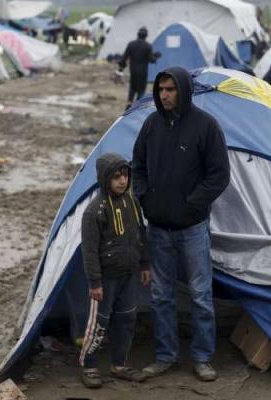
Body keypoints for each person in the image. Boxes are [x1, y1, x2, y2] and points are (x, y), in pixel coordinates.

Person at [132, 67, 230, 383]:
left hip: (193, 227)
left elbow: (219, 175)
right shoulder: (151, 125)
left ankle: (202, 357)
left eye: (171, 89)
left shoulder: (206, 126)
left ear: (184, 90)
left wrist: (191, 204)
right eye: (160, 90)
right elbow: (138, 166)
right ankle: (165, 356)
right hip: (158, 228)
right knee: (161, 295)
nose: (164, 95)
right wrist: (144, 198)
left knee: (200, 294)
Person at [78, 153, 152, 389]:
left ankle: (119, 364)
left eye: (126, 175)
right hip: (106, 279)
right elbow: (89, 251)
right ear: (105, 179)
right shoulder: (94, 211)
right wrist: (95, 282)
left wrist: (144, 264)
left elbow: (140, 235)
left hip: (129, 275)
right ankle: (89, 365)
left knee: (127, 319)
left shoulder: (132, 203)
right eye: (116, 177)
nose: (122, 181)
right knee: (99, 324)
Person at [119, 27, 161, 107]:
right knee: (141, 90)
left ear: (138, 34)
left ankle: (129, 104)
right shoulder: (148, 46)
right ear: (146, 36)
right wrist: (156, 56)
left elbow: (124, 58)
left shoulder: (131, 44)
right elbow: (151, 59)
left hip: (133, 71)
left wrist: (121, 68)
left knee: (132, 88)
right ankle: (137, 106)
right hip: (143, 72)